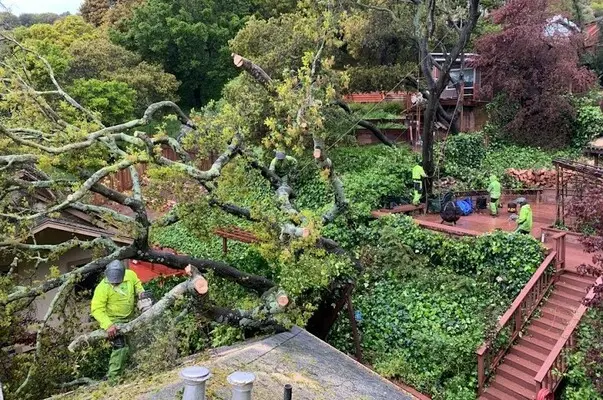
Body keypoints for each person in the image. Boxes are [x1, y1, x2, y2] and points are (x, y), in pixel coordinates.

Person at [91, 260, 152, 381]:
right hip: (113, 321)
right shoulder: (102, 288)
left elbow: (139, 287)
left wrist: (143, 297)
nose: (114, 283)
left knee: (136, 344)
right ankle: (113, 377)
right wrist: (108, 325)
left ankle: (136, 370)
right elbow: (96, 309)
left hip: (130, 317)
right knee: (120, 347)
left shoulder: (130, 275)